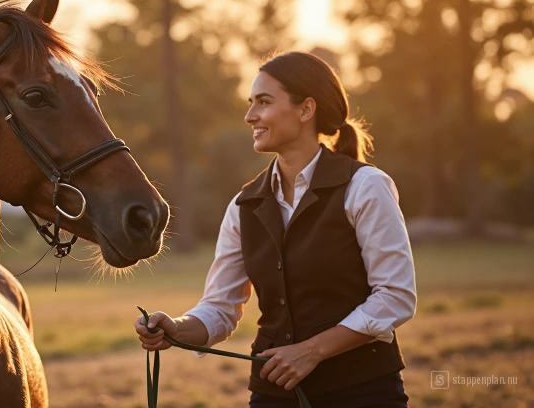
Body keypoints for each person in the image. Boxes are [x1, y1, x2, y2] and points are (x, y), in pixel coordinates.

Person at [134, 52, 417, 408]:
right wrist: (175, 327)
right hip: (274, 396)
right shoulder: (243, 205)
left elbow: (395, 296)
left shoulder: (365, 186)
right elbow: (220, 308)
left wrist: (311, 351)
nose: (250, 115)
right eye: (251, 103)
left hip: (363, 392)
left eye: (264, 102)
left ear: (305, 109)